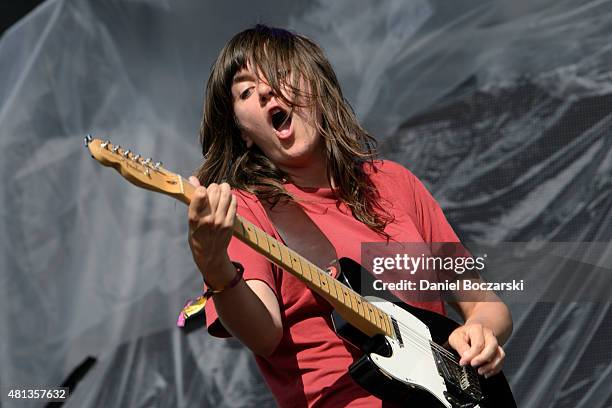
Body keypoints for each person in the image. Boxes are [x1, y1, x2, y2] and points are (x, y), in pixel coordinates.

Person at [184, 24, 512, 407]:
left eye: (279, 74)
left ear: (317, 88)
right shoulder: (247, 211)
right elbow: (263, 334)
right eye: (245, 91)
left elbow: (485, 303)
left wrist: (479, 332)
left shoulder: (394, 183)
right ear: (244, 133)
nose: (266, 91)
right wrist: (214, 266)